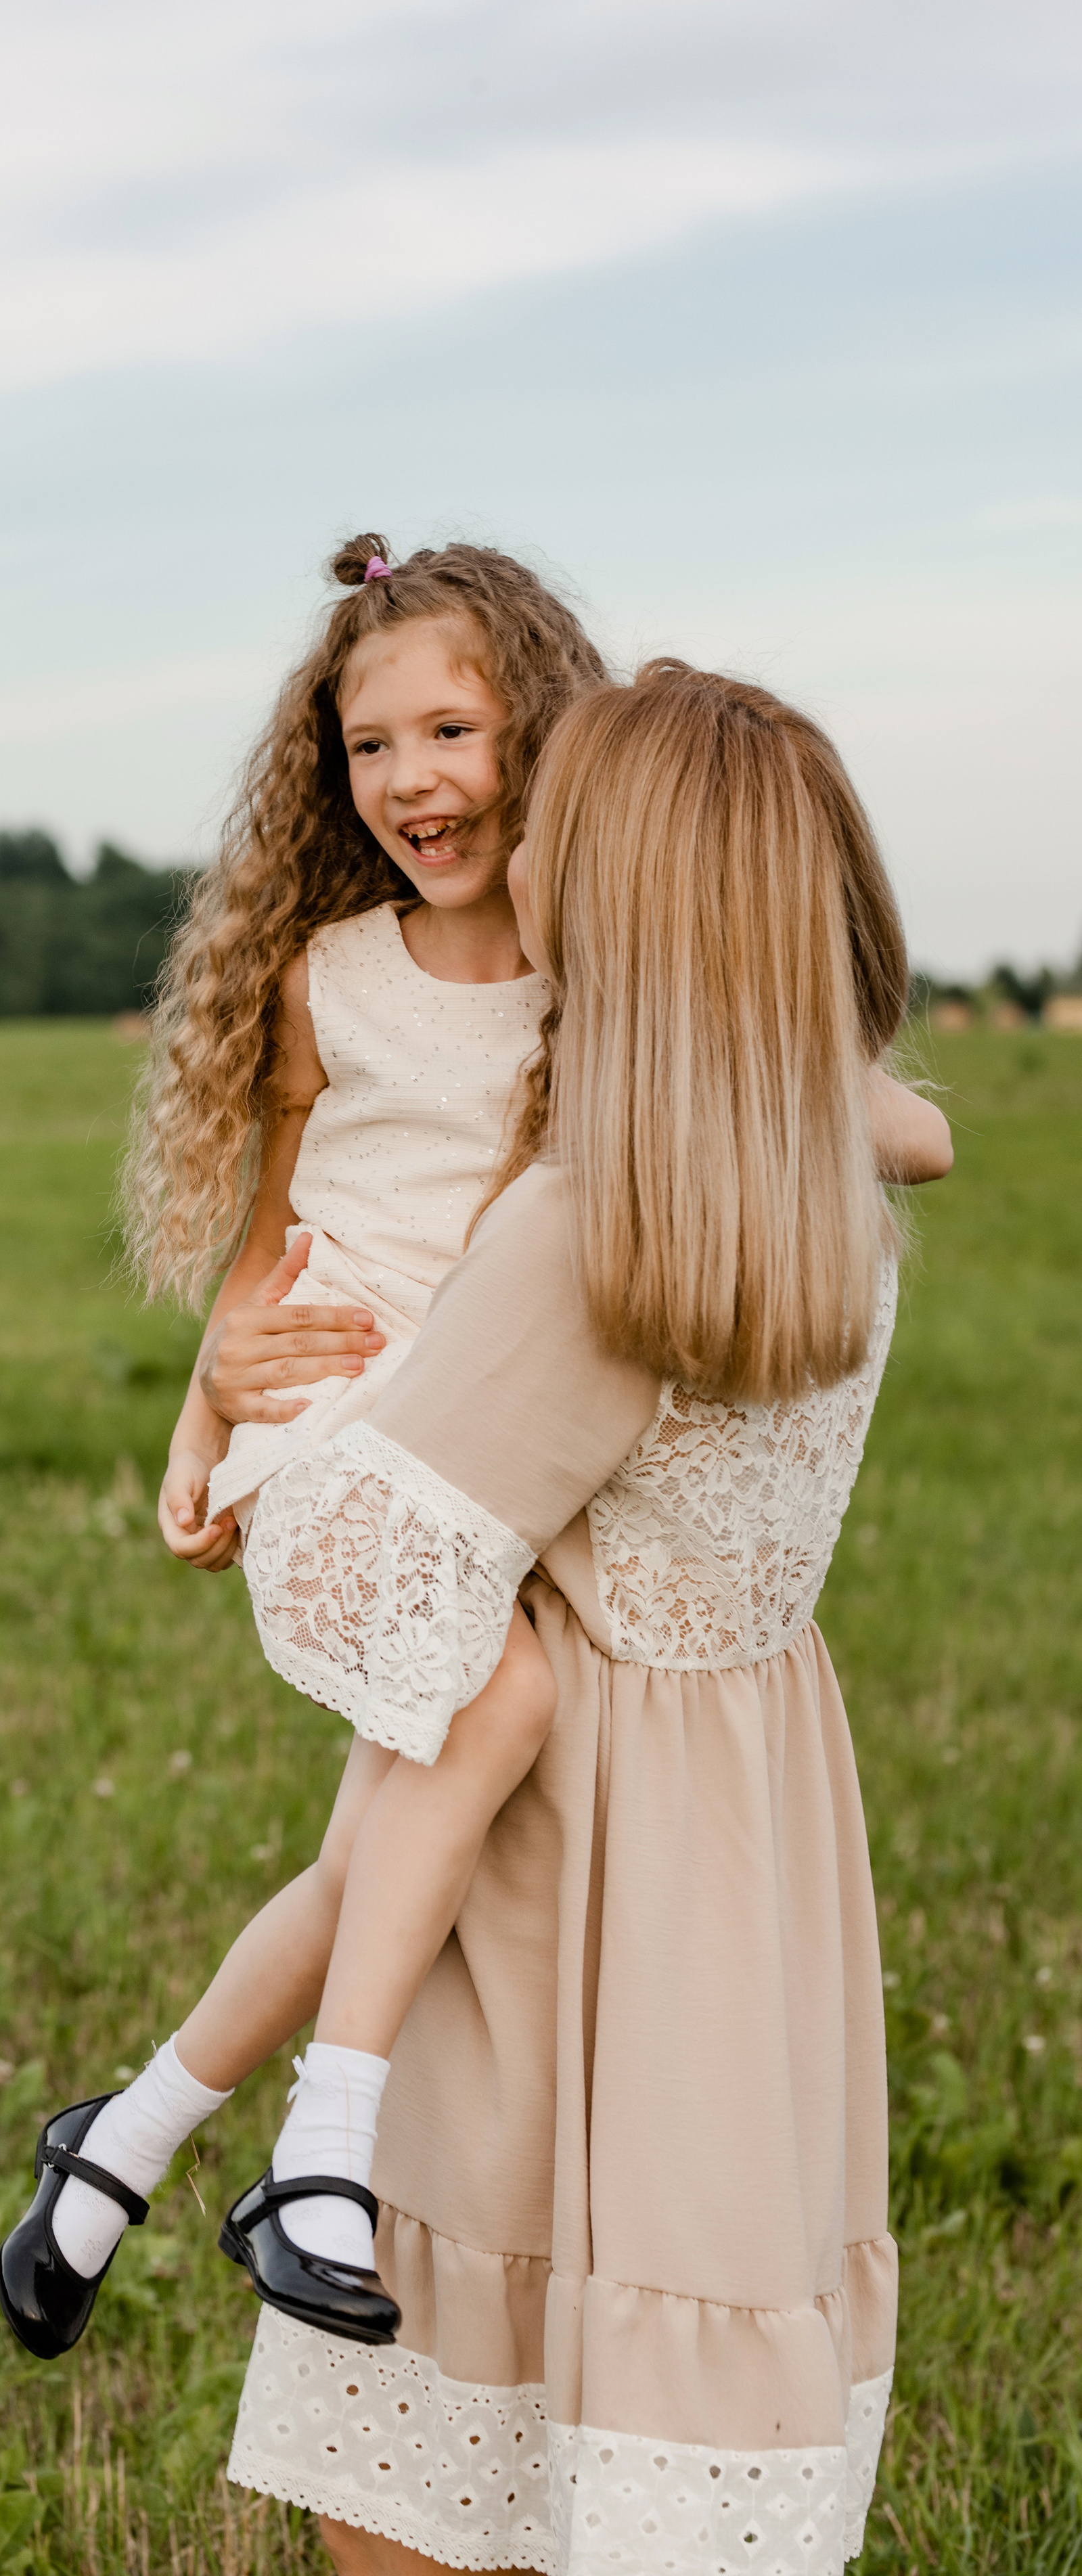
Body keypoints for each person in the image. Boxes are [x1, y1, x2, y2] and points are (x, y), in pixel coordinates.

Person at [0, 545, 947, 2374]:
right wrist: (204, 1413)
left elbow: (908, 1134)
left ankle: (121, 2145)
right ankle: (325, 2152)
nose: (413, 774)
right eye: (371, 744)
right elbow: (271, 1253)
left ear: (548, 740)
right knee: (492, 1715)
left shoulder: (611, 987)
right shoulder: (336, 978)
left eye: (454, 726)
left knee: (373, 1845)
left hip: (476, 1440)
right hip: (355, 1426)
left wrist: (755, 1073)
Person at [223, 660, 918, 2575]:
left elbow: (379, 1568)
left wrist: (247, 1413)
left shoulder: (582, 1223)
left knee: (433, 2489)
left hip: (547, 1888)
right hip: (748, 1860)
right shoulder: (830, 1202)